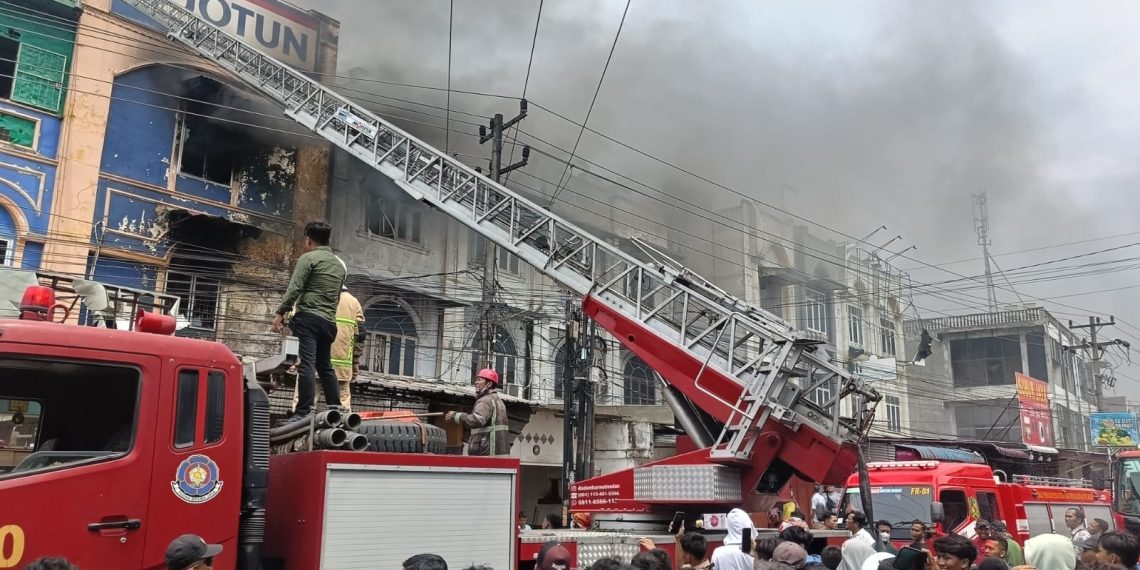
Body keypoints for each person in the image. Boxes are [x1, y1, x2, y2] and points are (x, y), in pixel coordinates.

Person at [274, 220, 347, 422]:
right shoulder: (339, 266)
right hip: (329, 323)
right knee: (325, 365)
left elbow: (295, 288)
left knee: (306, 364)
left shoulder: (308, 259)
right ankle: (336, 408)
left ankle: (303, 411)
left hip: (309, 319)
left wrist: (281, 312)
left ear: (308, 240)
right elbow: (336, 297)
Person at [291, 285, 364, 412]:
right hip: (341, 368)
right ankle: (341, 430)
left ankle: (301, 430)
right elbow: (360, 336)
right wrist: (355, 363)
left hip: (310, 364)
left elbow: (294, 325)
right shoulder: (353, 303)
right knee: (342, 411)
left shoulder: (309, 296)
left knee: (304, 406)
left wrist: (293, 358)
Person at [445, 368, 510, 456]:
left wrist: (456, 416)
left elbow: (477, 420)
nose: (476, 382)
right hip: (498, 455)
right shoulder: (498, 401)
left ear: (489, 384)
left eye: (479, 380)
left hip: (486, 455)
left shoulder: (485, 400)